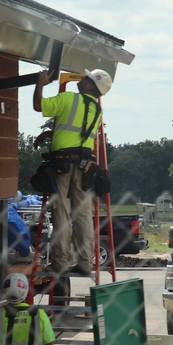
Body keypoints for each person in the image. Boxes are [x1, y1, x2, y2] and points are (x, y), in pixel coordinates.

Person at [32, 68, 113, 275]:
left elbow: (38, 105)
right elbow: (78, 135)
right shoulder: (97, 110)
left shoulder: (69, 98)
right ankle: (85, 262)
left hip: (63, 167)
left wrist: (40, 83)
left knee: (62, 213)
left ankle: (60, 262)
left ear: (89, 85)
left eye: (86, 78)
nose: (83, 79)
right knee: (83, 216)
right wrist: (53, 133)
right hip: (85, 168)